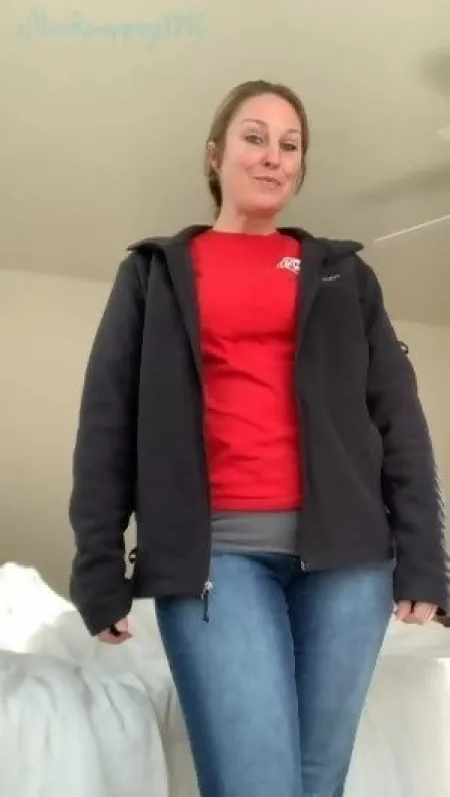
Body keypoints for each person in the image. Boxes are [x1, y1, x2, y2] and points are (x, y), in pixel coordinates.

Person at [69, 79, 449, 797]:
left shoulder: (343, 276)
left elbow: (398, 420)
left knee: (315, 781)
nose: (274, 156)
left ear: (301, 168)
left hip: (351, 564)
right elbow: (107, 423)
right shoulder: (154, 274)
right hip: (216, 558)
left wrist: (426, 562)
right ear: (215, 155)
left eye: (290, 145)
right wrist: (98, 567)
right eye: (255, 137)